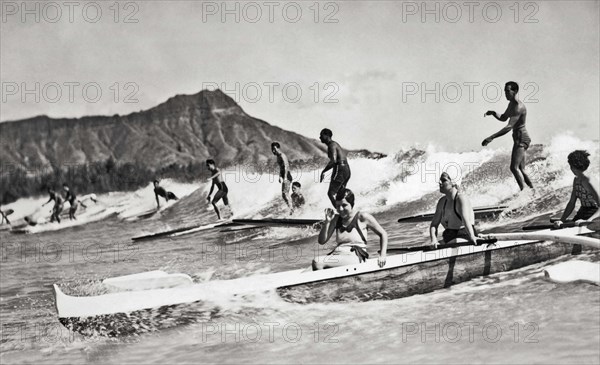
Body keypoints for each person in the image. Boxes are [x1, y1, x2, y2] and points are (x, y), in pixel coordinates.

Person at [312, 188, 387, 270]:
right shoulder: (336, 219)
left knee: (318, 262)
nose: (340, 209)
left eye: (344, 205)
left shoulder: (362, 217)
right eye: (338, 206)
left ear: (351, 204)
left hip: (355, 256)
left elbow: (383, 234)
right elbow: (322, 241)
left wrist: (382, 255)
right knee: (313, 265)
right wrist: (327, 222)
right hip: (338, 256)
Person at [482, 81, 534, 191]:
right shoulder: (511, 104)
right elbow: (504, 117)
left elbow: (509, 126)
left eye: (507, 91)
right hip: (520, 138)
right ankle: (533, 191)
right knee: (521, 169)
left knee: (514, 168)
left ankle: (524, 192)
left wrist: (491, 137)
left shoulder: (518, 107)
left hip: (521, 138)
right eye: (504, 91)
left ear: (515, 91)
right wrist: (494, 113)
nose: (505, 93)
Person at [430, 172, 479, 247]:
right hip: (449, 235)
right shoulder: (441, 202)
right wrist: (434, 240)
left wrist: (472, 237)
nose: (440, 182)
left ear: (453, 182)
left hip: (465, 234)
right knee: (427, 247)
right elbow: (434, 225)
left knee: (452, 243)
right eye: (440, 180)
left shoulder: (461, 198)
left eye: (443, 180)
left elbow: (465, 220)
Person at [554, 150, 599, 227]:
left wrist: (588, 221)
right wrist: (562, 220)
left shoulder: (589, 181)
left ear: (573, 166)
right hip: (582, 212)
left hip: (594, 214)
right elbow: (572, 203)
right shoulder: (576, 180)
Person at [319, 128, 351, 207]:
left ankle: (340, 211)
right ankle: (346, 212)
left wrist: (323, 171)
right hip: (346, 168)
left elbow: (333, 161)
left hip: (340, 169)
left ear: (326, 136)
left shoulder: (332, 145)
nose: (319, 137)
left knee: (331, 193)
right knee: (340, 194)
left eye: (321, 135)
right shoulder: (334, 144)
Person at [271, 142, 294, 214]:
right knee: (284, 195)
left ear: (278, 148)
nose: (273, 151)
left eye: (275, 149)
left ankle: (292, 209)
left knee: (285, 194)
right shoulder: (278, 157)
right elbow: (281, 168)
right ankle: (291, 208)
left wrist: (285, 177)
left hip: (287, 176)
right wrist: (280, 176)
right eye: (272, 149)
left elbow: (286, 166)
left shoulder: (282, 155)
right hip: (284, 176)